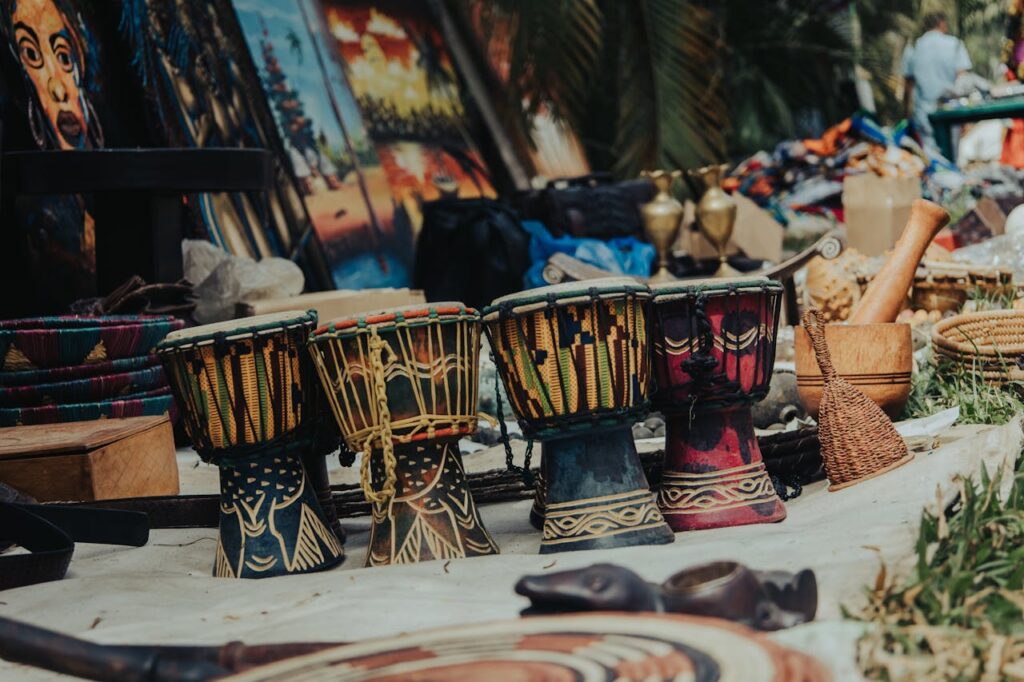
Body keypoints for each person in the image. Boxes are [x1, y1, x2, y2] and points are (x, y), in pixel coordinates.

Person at [902, 11, 971, 154]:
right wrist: (966, 115)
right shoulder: (955, 44)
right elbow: (962, 80)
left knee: (930, 156)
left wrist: (906, 116)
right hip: (951, 111)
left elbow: (908, 86)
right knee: (951, 154)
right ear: (942, 24)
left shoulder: (914, 47)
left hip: (924, 113)